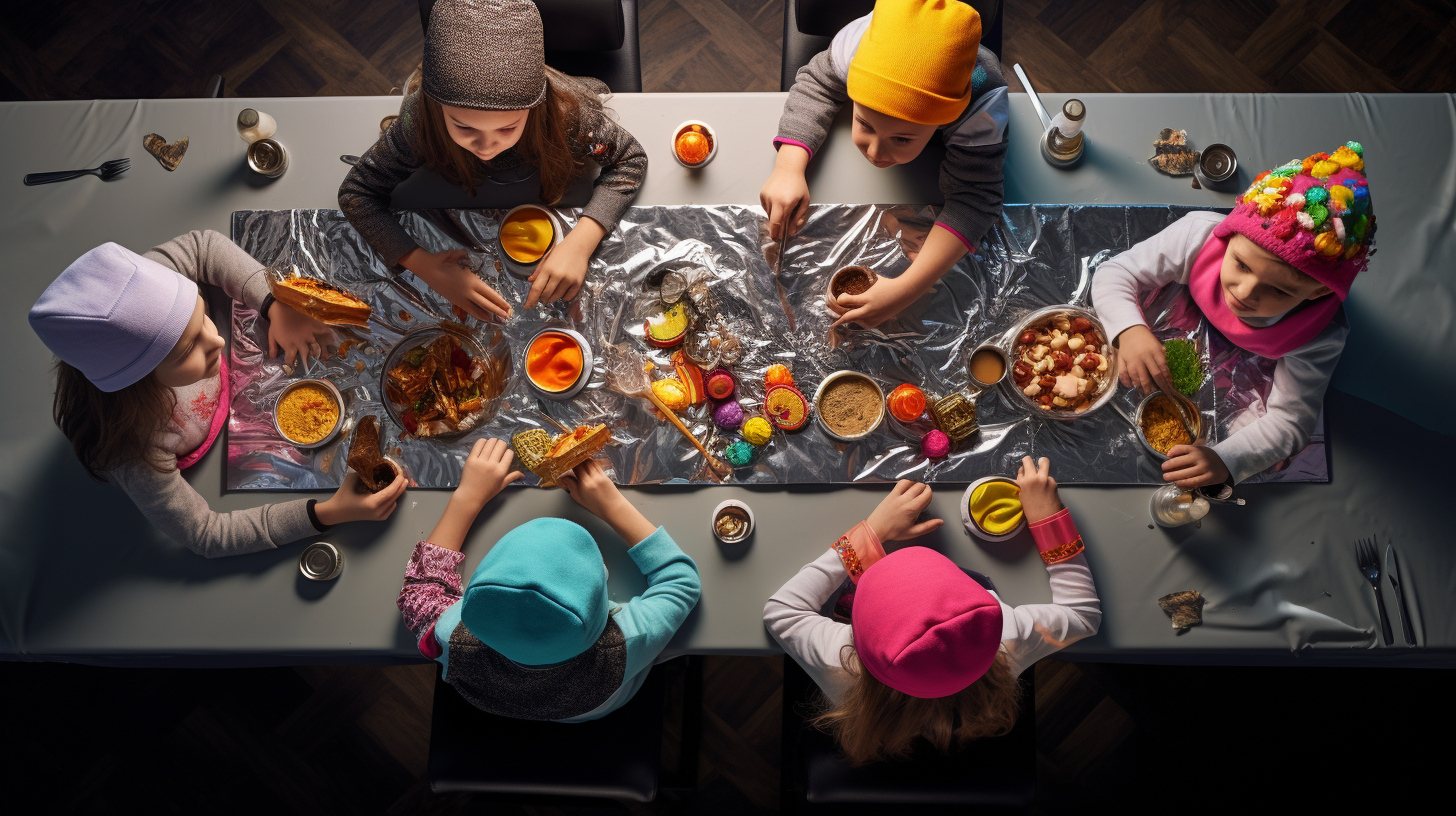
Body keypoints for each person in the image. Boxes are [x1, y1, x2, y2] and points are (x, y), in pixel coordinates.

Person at [29, 233, 407, 558]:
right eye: (188, 347)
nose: (218, 339)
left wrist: (274, 304)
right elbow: (205, 535)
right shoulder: (133, 447)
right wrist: (327, 513)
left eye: (202, 314)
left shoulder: (147, 285)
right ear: (139, 381)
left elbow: (204, 246)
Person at [763, 461, 1100, 765]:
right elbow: (1084, 616)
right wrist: (1047, 518)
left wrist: (872, 532)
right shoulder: (1007, 635)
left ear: (858, 633)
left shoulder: (840, 658)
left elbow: (780, 611)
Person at [339, 0, 648, 317]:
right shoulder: (419, 123)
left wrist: (580, 244)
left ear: (536, 107)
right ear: (435, 108)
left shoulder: (567, 116)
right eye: (464, 127)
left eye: (507, 128)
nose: (486, 146)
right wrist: (425, 266)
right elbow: (356, 194)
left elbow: (629, 161)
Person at [1092, 142, 1374, 487]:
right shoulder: (1196, 236)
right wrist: (1129, 329)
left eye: (1279, 291)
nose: (1243, 292)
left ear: (1319, 292)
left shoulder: (1318, 335)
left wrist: (1227, 458)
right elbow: (1115, 273)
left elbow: (1290, 422)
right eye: (1240, 264)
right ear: (1229, 234)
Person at [397, 445, 700, 722]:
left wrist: (468, 496)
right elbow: (682, 583)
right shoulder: (624, 646)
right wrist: (611, 505)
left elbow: (420, 592)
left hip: (495, 703)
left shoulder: (451, 639)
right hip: (601, 704)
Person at [760, 0, 1008, 329]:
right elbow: (817, 86)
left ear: (943, 124)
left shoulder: (983, 100)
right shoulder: (857, 46)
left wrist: (906, 289)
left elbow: (976, 197)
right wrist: (788, 167)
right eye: (865, 124)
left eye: (902, 139)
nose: (875, 153)